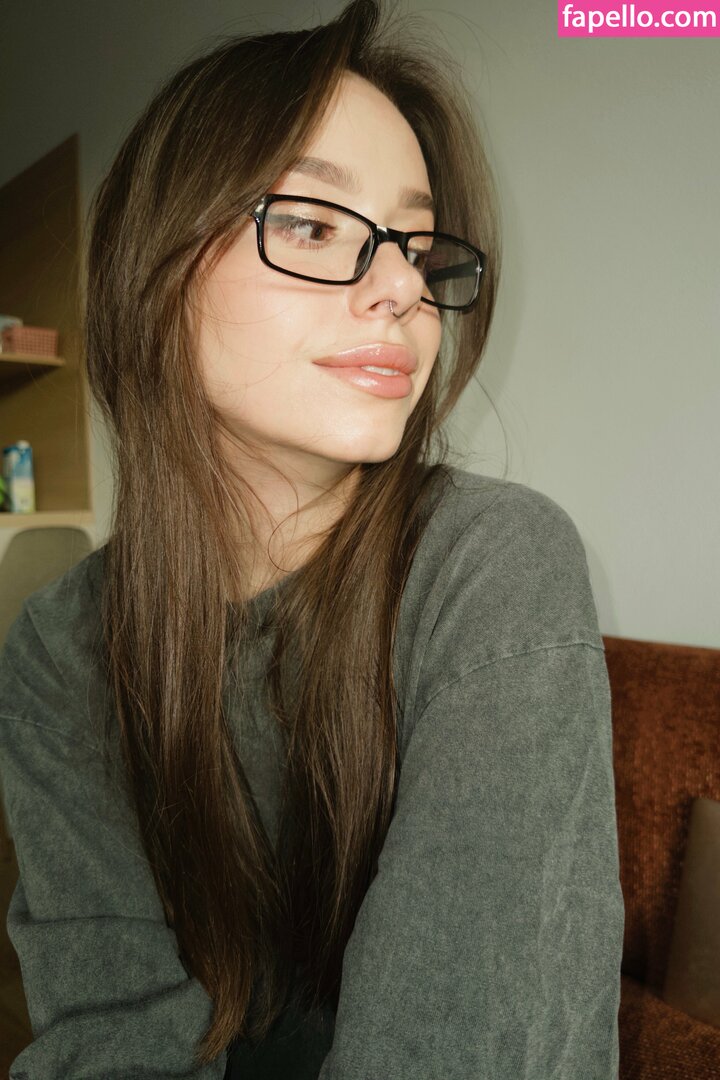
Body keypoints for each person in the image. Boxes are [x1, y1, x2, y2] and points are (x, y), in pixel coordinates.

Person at [0, 1, 624, 1077]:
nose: (404, 288)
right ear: (156, 269)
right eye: (311, 223)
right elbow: (111, 1032)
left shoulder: (489, 566)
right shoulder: (62, 645)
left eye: (419, 248)